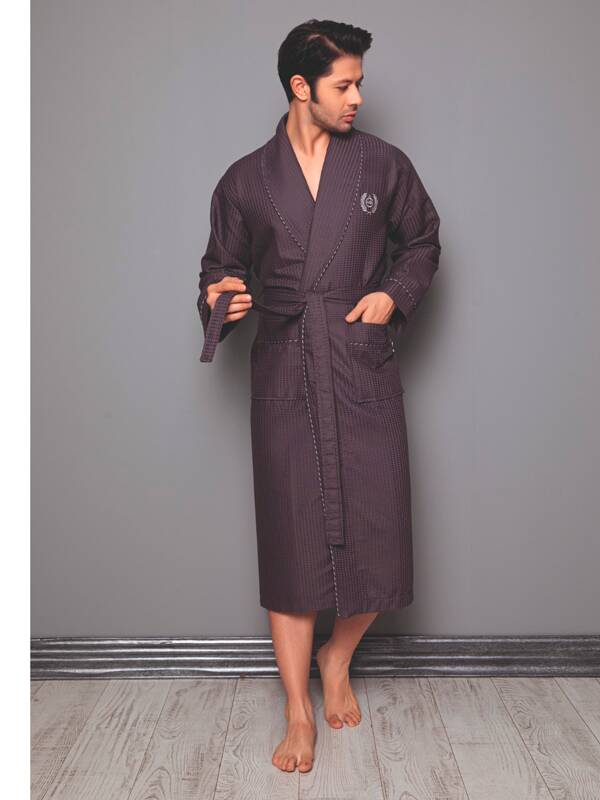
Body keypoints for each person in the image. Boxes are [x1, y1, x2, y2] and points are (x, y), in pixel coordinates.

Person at [196, 18, 441, 772]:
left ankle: (338, 656)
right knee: (291, 539)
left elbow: (423, 240)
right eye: (344, 84)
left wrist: (392, 295)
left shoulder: (382, 165)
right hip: (285, 370)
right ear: (301, 87)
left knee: (379, 528)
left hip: (359, 365)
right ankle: (297, 709)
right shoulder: (244, 181)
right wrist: (223, 299)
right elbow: (217, 269)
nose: (358, 96)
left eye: (360, 82)